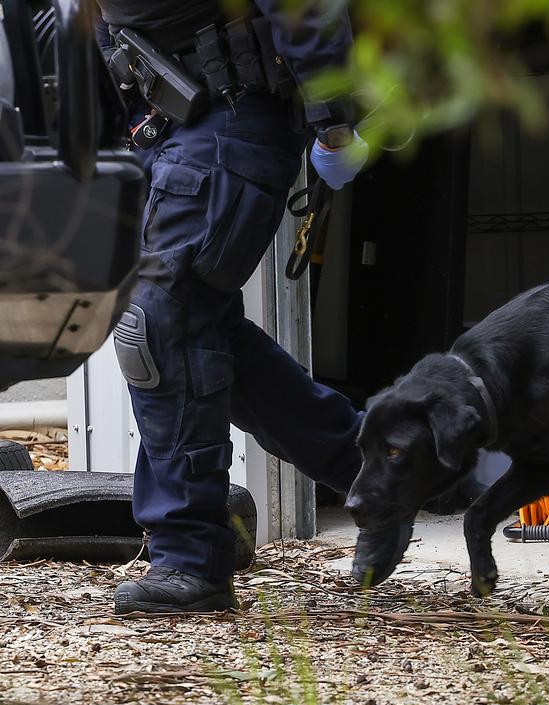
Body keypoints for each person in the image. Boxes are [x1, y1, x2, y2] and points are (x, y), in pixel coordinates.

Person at [94, 1, 367, 614]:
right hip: (160, 115)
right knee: (199, 332)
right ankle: (379, 469)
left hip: (233, 112)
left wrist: (334, 120)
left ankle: (190, 558)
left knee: (161, 322)